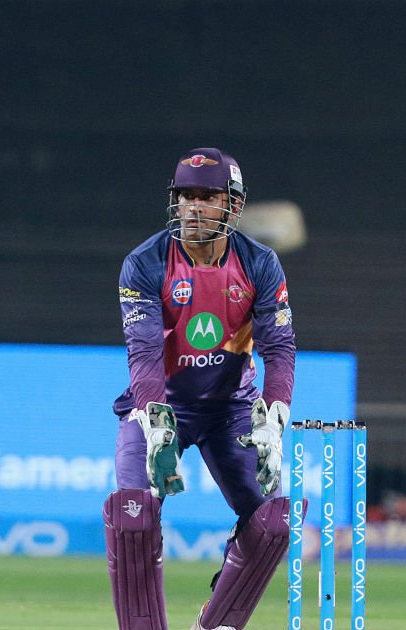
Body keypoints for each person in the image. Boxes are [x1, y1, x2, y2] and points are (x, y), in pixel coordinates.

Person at [105, 147, 297, 630]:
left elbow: (279, 348)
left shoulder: (259, 264)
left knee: (273, 521)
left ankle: (214, 626)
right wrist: (156, 423)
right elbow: (144, 352)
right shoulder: (145, 263)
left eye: (207, 197)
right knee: (133, 517)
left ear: (234, 205)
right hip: (161, 406)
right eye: (185, 196)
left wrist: (274, 417)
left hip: (231, 410)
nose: (193, 207)